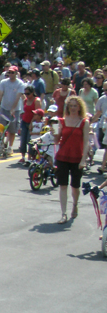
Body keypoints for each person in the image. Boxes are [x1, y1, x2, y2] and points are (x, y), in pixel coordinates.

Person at [55, 95, 91, 224]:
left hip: (77, 157)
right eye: (71, 105)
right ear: (67, 107)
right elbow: (56, 140)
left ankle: (75, 204)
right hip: (63, 156)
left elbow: (86, 142)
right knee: (63, 185)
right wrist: (55, 131)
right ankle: (63, 213)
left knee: (75, 186)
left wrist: (83, 159)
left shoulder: (84, 122)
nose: (73, 108)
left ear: (79, 107)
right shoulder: (62, 121)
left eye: (76, 106)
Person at [0, 66, 26, 154]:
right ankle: (1, 145)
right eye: (9, 72)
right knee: (0, 127)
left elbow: (18, 96)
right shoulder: (3, 82)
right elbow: (0, 94)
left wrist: (13, 108)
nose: (10, 74)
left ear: (16, 73)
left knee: (12, 129)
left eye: (12, 72)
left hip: (15, 110)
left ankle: (10, 147)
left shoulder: (20, 83)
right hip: (4, 108)